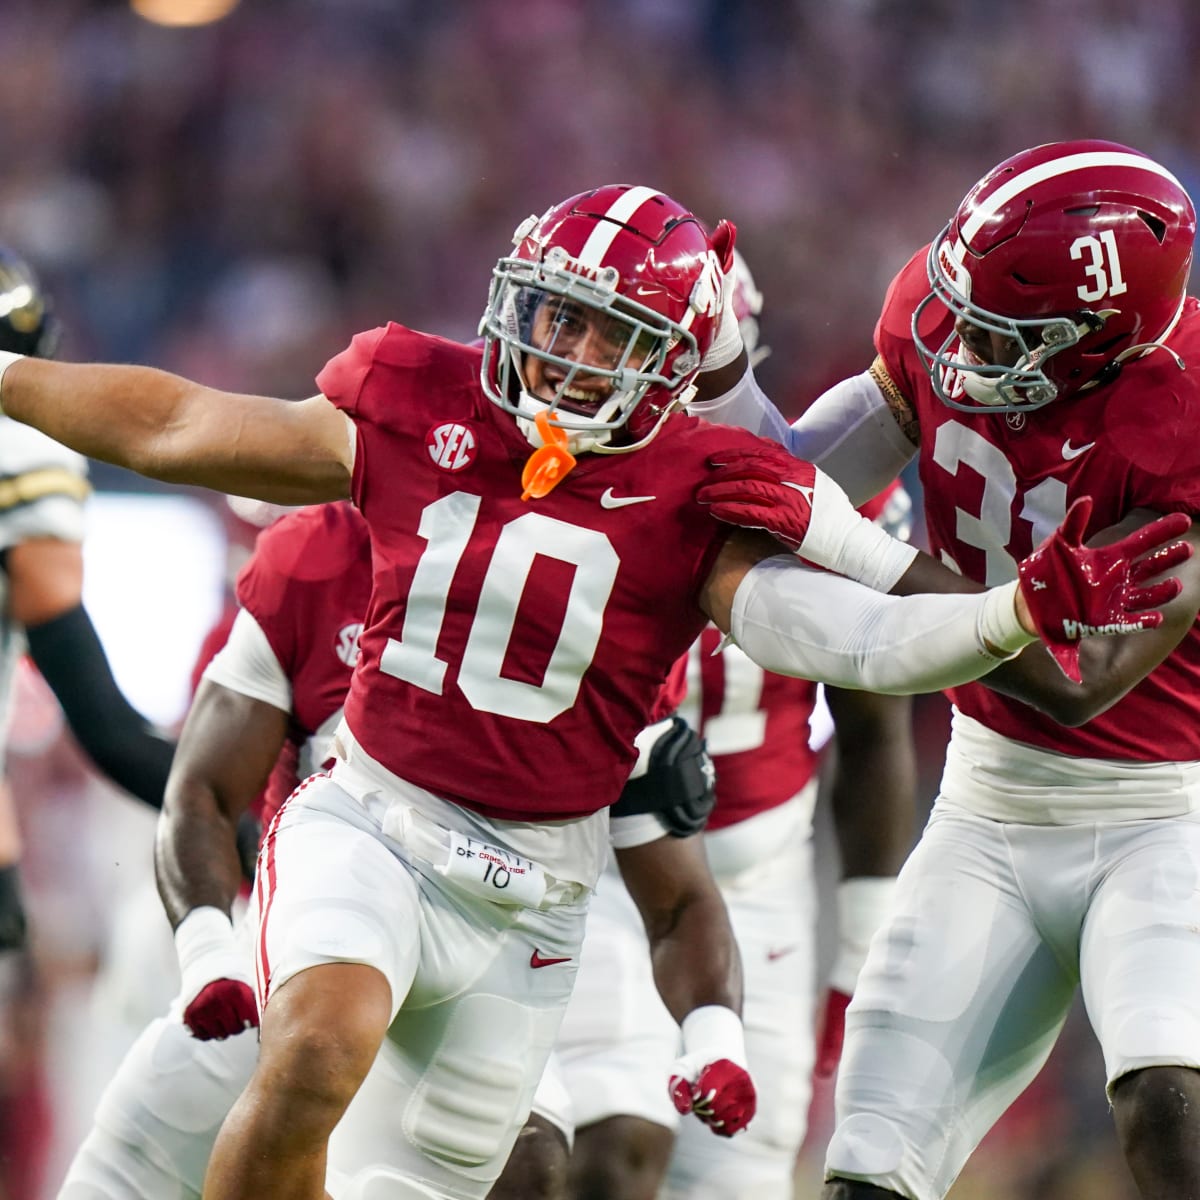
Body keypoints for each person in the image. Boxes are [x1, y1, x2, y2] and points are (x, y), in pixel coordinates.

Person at [0, 183, 1184, 1200]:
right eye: (551, 309)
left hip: (536, 901)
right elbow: (181, 419)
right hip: (372, 825)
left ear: (679, 370)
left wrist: (1005, 616)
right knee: (314, 1045)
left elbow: (857, 644)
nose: (561, 347)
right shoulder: (425, 405)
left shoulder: (700, 491)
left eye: (603, 331)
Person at [690, 140, 1200, 1200]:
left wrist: (873, 556)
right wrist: (726, 379)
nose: (957, 343)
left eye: (1007, 333)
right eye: (962, 306)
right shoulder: (938, 318)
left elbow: (1076, 672)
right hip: (985, 799)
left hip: (1166, 812)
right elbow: (790, 487)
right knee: (867, 1171)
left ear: (1102, 343)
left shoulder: (1184, 416)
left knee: (1167, 1102)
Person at [58, 498, 722, 1200]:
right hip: (301, 951)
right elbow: (200, 791)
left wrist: (717, 1034)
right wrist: (206, 951)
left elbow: (674, 887)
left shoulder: (595, 587)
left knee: (530, 1166)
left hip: (477, 965)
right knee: (140, 1162)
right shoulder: (319, 557)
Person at [555, 255, 919, 1200]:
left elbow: (877, 733)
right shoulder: (557, 476)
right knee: (608, 1153)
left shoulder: (818, 493)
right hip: (593, 862)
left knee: (738, 1177)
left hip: (759, 878)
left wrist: (857, 955)